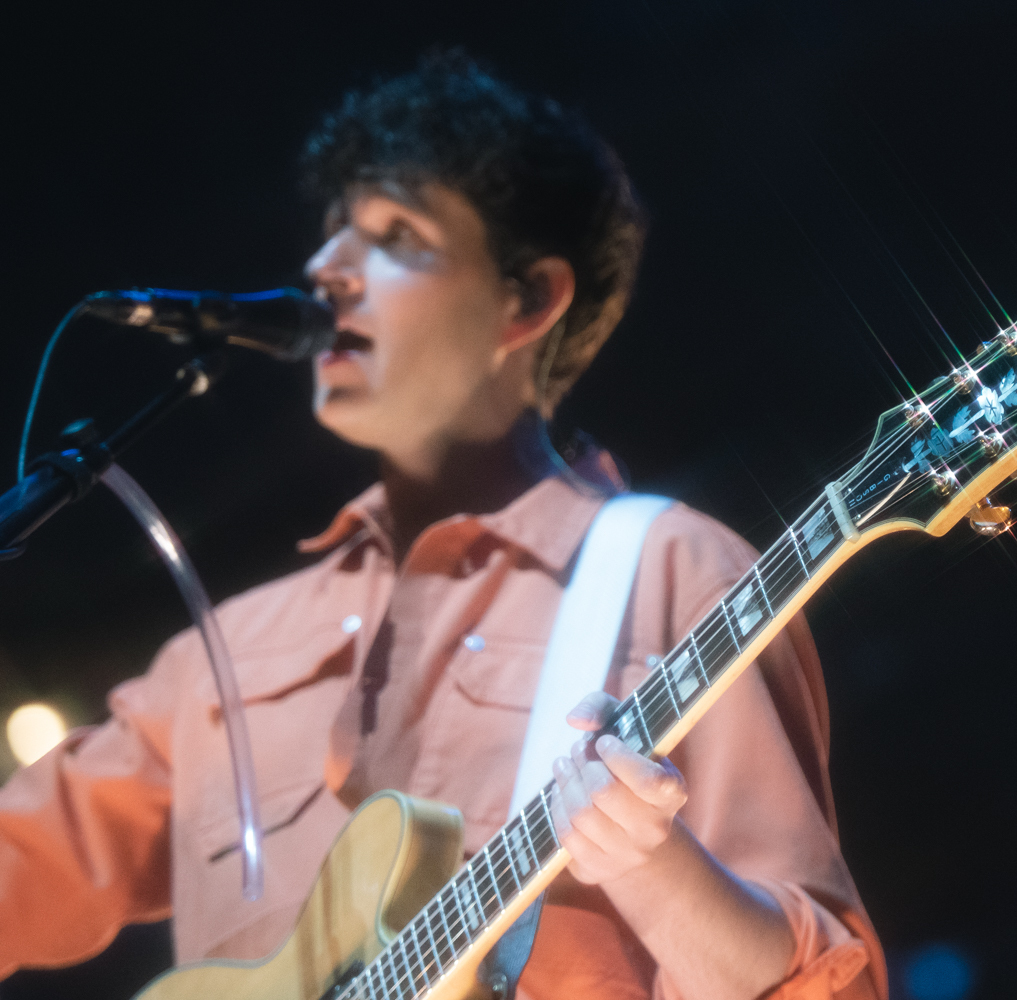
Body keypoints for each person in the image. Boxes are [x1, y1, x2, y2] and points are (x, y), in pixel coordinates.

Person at [0, 50, 886, 1000]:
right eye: (333, 231)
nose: (323, 268)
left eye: (394, 232)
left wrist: (653, 866)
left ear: (529, 299)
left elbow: (821, 982)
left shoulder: (674, 570)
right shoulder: (220, 654)